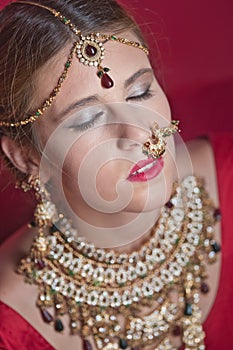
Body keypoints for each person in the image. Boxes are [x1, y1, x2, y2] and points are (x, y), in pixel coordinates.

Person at [0, 1, 232, 349]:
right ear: (28, 157)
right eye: (87, 120)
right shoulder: (11, 325)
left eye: (140, 92)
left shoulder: (228, 175)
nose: (139, 134)